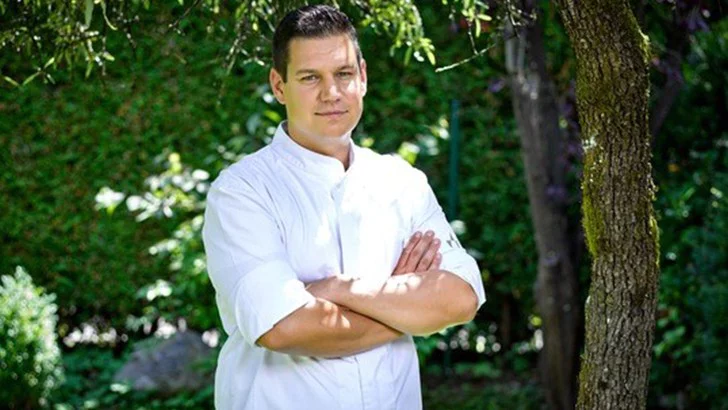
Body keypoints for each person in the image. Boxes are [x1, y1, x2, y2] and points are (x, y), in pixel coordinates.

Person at [201, 5, 486, 410]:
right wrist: (406, 309)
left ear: (363, 77)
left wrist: (335, 289)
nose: (331, 93)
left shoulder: (402, 183)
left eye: (344, 74)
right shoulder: (242, 191)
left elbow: (461, 298)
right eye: (310, 77)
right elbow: (283, 327)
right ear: (279, 86)